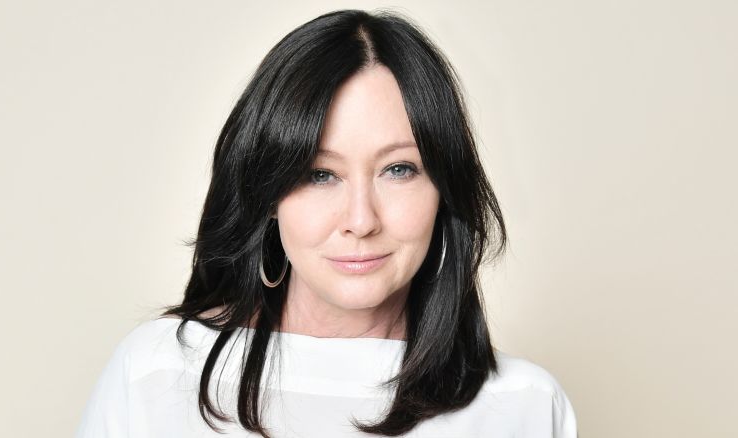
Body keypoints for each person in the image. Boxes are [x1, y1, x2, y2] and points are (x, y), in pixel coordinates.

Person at [76, 8, 578, 438]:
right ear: (267, 193)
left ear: (444, 189)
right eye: (319, 174)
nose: (361, 220)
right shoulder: (158, 373)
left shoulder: (524, 407)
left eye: (398, 169)